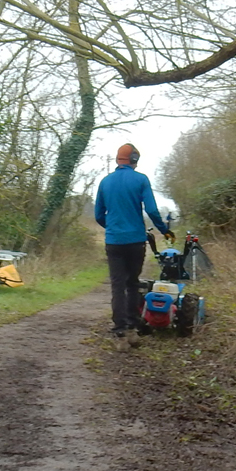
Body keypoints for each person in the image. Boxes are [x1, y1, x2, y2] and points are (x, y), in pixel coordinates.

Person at [94, 143, 172, 351]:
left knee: (117, 286)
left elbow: (98, 215)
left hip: (114, 241)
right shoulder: (141, 180)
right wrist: (164, 230)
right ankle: (132, 330)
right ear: (135, 159)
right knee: (132, 283)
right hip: (136, 241)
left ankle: (119, 332)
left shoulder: (105, 182)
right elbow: (153, 211)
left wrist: (112, 227)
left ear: (118, 159)